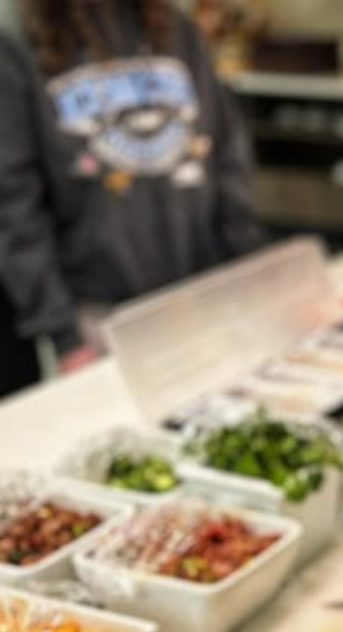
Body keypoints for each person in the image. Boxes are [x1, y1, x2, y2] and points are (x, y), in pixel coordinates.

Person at [0, 0, 262, 388]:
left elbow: (226, 159)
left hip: (196, 304)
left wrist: (250, 280)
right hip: (97, 322)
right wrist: (64, 334)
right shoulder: (14, 33)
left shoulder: (176, 26)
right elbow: (12, 202)